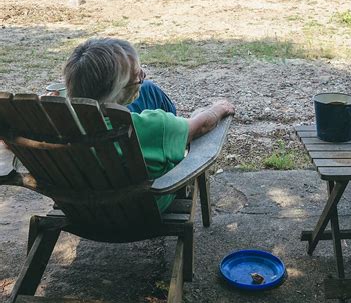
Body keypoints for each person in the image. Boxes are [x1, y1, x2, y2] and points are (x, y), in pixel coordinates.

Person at [63, 38, 234, 211]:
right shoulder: (152, 126)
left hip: (84, 209)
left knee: (149, 89)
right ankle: (171, 143)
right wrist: (217, 109)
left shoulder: (56, 124)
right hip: (143, 210)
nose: (143, 77)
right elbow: (202, 126)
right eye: (137, 77)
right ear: (118, 90)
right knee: (165, 110)